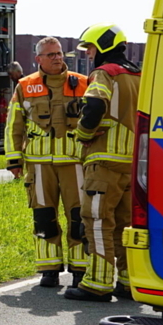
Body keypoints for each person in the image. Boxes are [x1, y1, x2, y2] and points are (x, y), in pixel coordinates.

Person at [65, 24, 141, 302]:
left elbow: (95, 105)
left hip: (104, 161)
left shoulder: (103, 73)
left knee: (97, 221)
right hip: (132, 165)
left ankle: (97, 283)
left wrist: (83, 135)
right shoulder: (138, 75)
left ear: (104, 46)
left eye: (92, 48)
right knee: (125, 224)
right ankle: (128, 281)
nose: (89, 54)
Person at [4, 37, 88, 288]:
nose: (56, 58)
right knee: (43, 217)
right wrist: (13, 160)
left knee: (78, 217)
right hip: (39, 165)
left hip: (75, 164)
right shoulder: (25, 85)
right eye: (50, 54)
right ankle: (49, 269)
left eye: (59, 53)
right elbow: (13, 126)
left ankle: (80, 269)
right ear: (38, 59)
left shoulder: (83, 83)